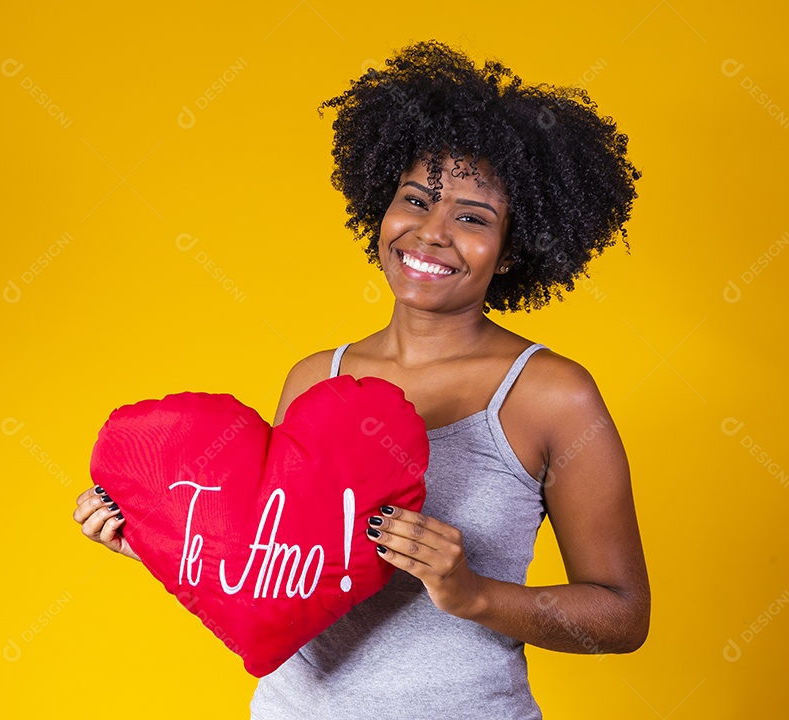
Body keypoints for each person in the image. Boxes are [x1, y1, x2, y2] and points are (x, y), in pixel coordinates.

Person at [74, 39, 649, 718]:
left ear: (515, 247)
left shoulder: (552, 394)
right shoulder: (319, 377)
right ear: (381, 206)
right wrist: (161, 536)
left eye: (472, 217)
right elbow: (268, 567)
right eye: (416, 199)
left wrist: (475, 594)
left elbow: (620, 615)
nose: (432, 233)